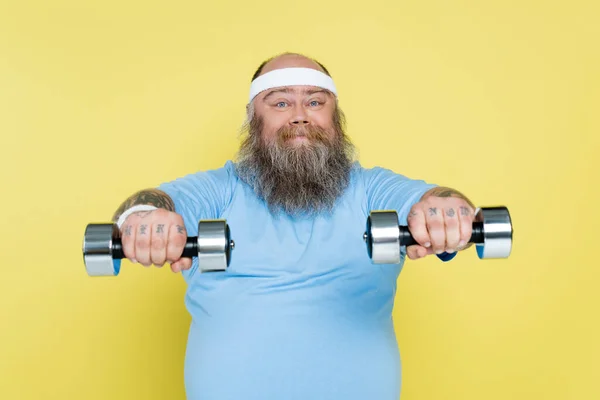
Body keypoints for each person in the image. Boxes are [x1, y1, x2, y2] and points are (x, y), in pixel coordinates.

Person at [111, 52, 477, 400]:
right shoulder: (219, 190)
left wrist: (446, 209)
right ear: (254, 119)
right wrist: (143, 218)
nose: (300, 116)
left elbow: (432, 199)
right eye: (281, 103)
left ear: (335, 119)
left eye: (316, 102)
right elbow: (153, 202)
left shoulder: (372, 190)